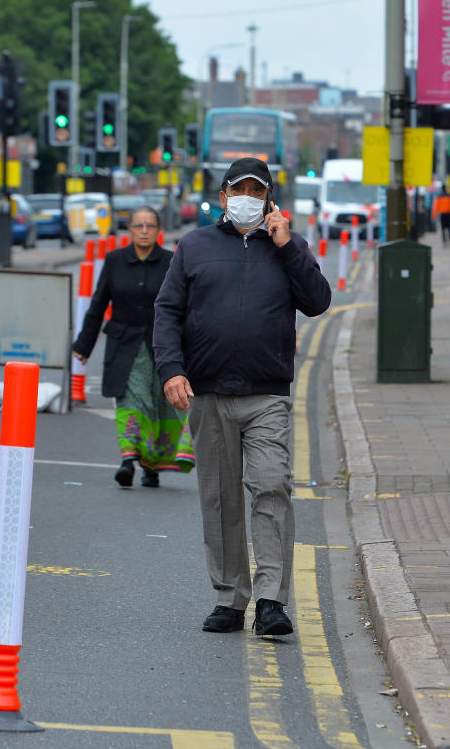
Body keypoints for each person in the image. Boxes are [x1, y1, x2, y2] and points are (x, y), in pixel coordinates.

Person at [154, 156, 332, 636]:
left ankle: (271, 600)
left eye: (257, 192)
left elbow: (317, 301)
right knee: (219, 499)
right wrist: (171, 370)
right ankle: (230, 598)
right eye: (240, 191)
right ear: (222, 197)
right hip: (208, 394)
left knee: (271, 486)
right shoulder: (193, 247)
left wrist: (288, 245)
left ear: (271, 199)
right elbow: (168, 311)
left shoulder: (289, 248)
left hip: (265, 394)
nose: (247, 200)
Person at [73, 206, 193, 489]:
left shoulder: (170, 261)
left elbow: (184, 308)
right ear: (129, 230)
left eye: (149, 225)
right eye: (138, 225)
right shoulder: (114, 261)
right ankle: (127, 460)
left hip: (162, 347)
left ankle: (151, 467)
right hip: (125, 347)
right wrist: (84, 345)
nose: (143, 230)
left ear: (158, 230)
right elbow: (98, 303)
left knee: (157, 405)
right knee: (131, 403)